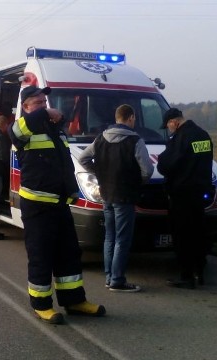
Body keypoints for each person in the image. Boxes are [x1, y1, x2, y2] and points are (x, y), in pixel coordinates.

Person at [9, 86, 105, 324]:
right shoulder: (20, 129)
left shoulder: (55, 131)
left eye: (45, 101)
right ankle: (41, 305)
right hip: (37, 206)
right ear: (25, 107)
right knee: (41, 256)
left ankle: (74, 301)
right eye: (37, 102)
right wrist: (46, 112)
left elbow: (63, 164)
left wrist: (72, 190)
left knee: (69, 255)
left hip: (60, 205)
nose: (43, 105)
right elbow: (21, 128)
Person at [78, 104, 153, 293]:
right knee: (123, 239)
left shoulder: (100, 138)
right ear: (131, 118)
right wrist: (137, 181)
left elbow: (83, 159)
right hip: (125, 195)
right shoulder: (135, 140)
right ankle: (117, 280)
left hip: (106, 194)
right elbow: (148, 170)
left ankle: (109, 277)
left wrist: (100, 174)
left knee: (109, 237)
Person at [157, 108, 213, 289]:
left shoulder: (180, 138)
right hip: (200, 194)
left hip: (182, 195)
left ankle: (186, 276)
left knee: (183, 236)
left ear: (174, 122)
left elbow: (168, 164)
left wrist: (161, 160)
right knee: (199, 233)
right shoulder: (203, 135)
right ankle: (200, 271)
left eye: (168, 126)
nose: (169, 129)